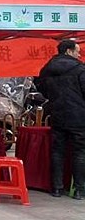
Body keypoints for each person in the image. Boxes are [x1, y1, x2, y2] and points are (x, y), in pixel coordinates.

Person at [36, 39, 85, 200]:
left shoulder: (47, 69)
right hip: (79, 116)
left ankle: (57, 188)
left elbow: (42, 89)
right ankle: (79, 190)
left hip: (57, 114)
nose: (79, 55)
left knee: (58, 151)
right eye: (77, 51)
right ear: (69, 51)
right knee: (79, 152)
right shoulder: (80, 69)